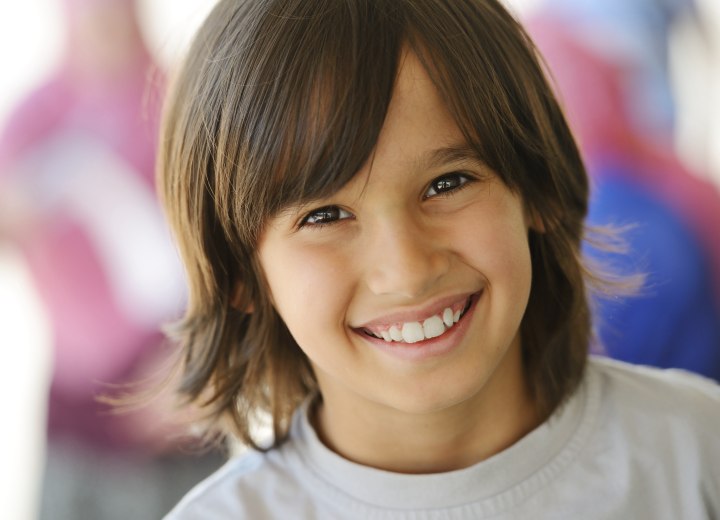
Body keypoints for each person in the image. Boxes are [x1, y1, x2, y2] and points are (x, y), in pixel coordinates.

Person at [160, 0, 720, 518]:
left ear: (536, 189)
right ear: (240, 273)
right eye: (325, 216)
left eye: (448, 183)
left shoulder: (696, 453)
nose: (406, 270)